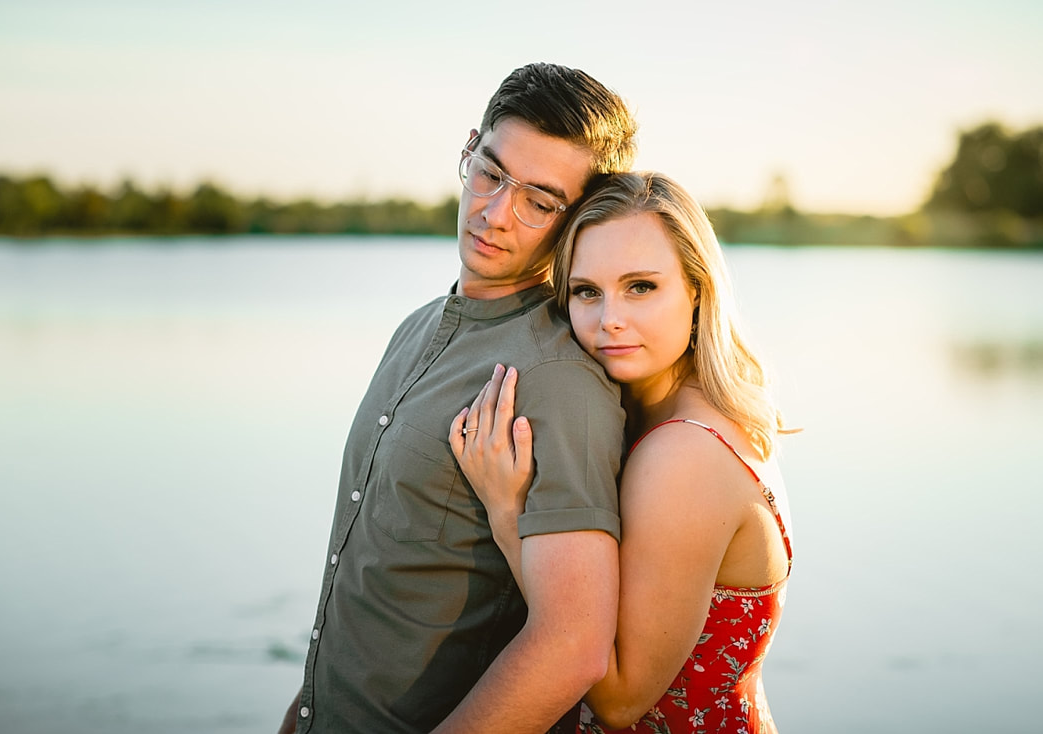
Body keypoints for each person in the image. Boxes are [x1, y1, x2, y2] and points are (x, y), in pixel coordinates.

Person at [279, 63, 639, 734]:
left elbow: (574, 646)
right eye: (492, 173)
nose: (495, 212)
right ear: (468, 149)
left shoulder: (559, 379)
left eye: (539, 200)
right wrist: (306, 709)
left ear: (578, 219)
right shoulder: (414, 327)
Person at [450, 171, 794, 733]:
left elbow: (618, 700)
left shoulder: (685, 454)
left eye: (640, 287)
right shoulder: (700, 413)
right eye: (587, 291)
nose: (609, 318)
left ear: (698, 291)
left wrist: (509, 512)